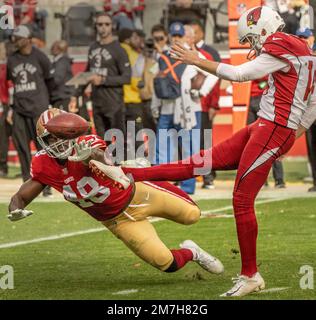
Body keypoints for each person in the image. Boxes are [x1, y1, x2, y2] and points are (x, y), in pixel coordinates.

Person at [95, 6, 316, 297]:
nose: (253, 46)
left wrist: (194, 60)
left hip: (273, 129)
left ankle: (250, 274)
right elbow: (312, 105)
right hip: (268, 127)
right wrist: (291, 135)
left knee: (241, 199)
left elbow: (238, 74)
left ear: (264, 29)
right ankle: (127, 172)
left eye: (252, 39)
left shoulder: (282, 44)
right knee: (197, 163)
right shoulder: (302, 49)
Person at [8, 108, 224, 278]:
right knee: (165, 263)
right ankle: (193, 252)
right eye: (51, 138)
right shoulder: (43, 164)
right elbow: (23, 195)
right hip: (118, 221)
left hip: (138, 194)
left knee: (192, 215)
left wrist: (90, 156)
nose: (57, 142)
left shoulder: (87, 144)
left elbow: (107, 160)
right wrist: (16, 208)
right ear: (43, 141)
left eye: (60, 135)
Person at [69, 12, 131, 147]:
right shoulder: (93, 47)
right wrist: (76, 95)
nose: (103, 27)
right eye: (100, 24)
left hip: (114, 104)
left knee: (119, 145)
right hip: (97, 103)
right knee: (101, 145)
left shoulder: (119, 49)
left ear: (112, 27)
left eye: (106, 24)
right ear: (95, 26)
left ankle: (121, 169)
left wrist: (103, 80)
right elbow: (87, 73)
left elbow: (127, 77)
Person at [6, 25, 55, 196]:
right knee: (22, 148)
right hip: (19, 109)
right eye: (14, 37)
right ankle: (28, 185)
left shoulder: (40, 57)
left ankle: (46, 185)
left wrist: (51, 106)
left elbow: (51, 81)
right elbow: (11, 82)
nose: (15, 40)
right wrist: (11, 108)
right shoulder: (12, 59)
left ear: (28, 38)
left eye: (18, 37)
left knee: (42, 148)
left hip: (38, 110)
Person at [190, 20, 221, 189]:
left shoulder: (209, 53)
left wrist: (213, 105)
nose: (191, 37)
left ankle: (208, 176)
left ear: (201, 33)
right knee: (188, 142)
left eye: (193, 33)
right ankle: (188, 176)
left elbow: (216, 78)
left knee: (205, 142)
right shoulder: (186, 53)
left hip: (203, 105)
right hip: (188, 106)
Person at [247, 77, 286, 188]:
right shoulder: (245, 60)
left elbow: (267, 75)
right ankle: (260, 179)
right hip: (247, 99)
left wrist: (251, 73)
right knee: (253, 141)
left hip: (263, 97)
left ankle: (279, 179)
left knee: (270, 138)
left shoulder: (264, 59)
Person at [119, 28, 145, 159]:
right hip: (134, 101)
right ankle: (141, 165)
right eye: (134, 37)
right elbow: (138, 81)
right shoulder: (135, 56)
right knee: (137, 136)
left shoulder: (115, 52)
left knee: (119, 136)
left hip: (118, 101)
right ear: (128, 39)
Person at [50, 40, 74, 111]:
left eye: (53, 47)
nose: (51, 49)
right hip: (61, 96)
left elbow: (57, 79)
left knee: (61, 119)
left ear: (58, 49)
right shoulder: (59, 61)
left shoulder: (62, 62)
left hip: (62, 97)